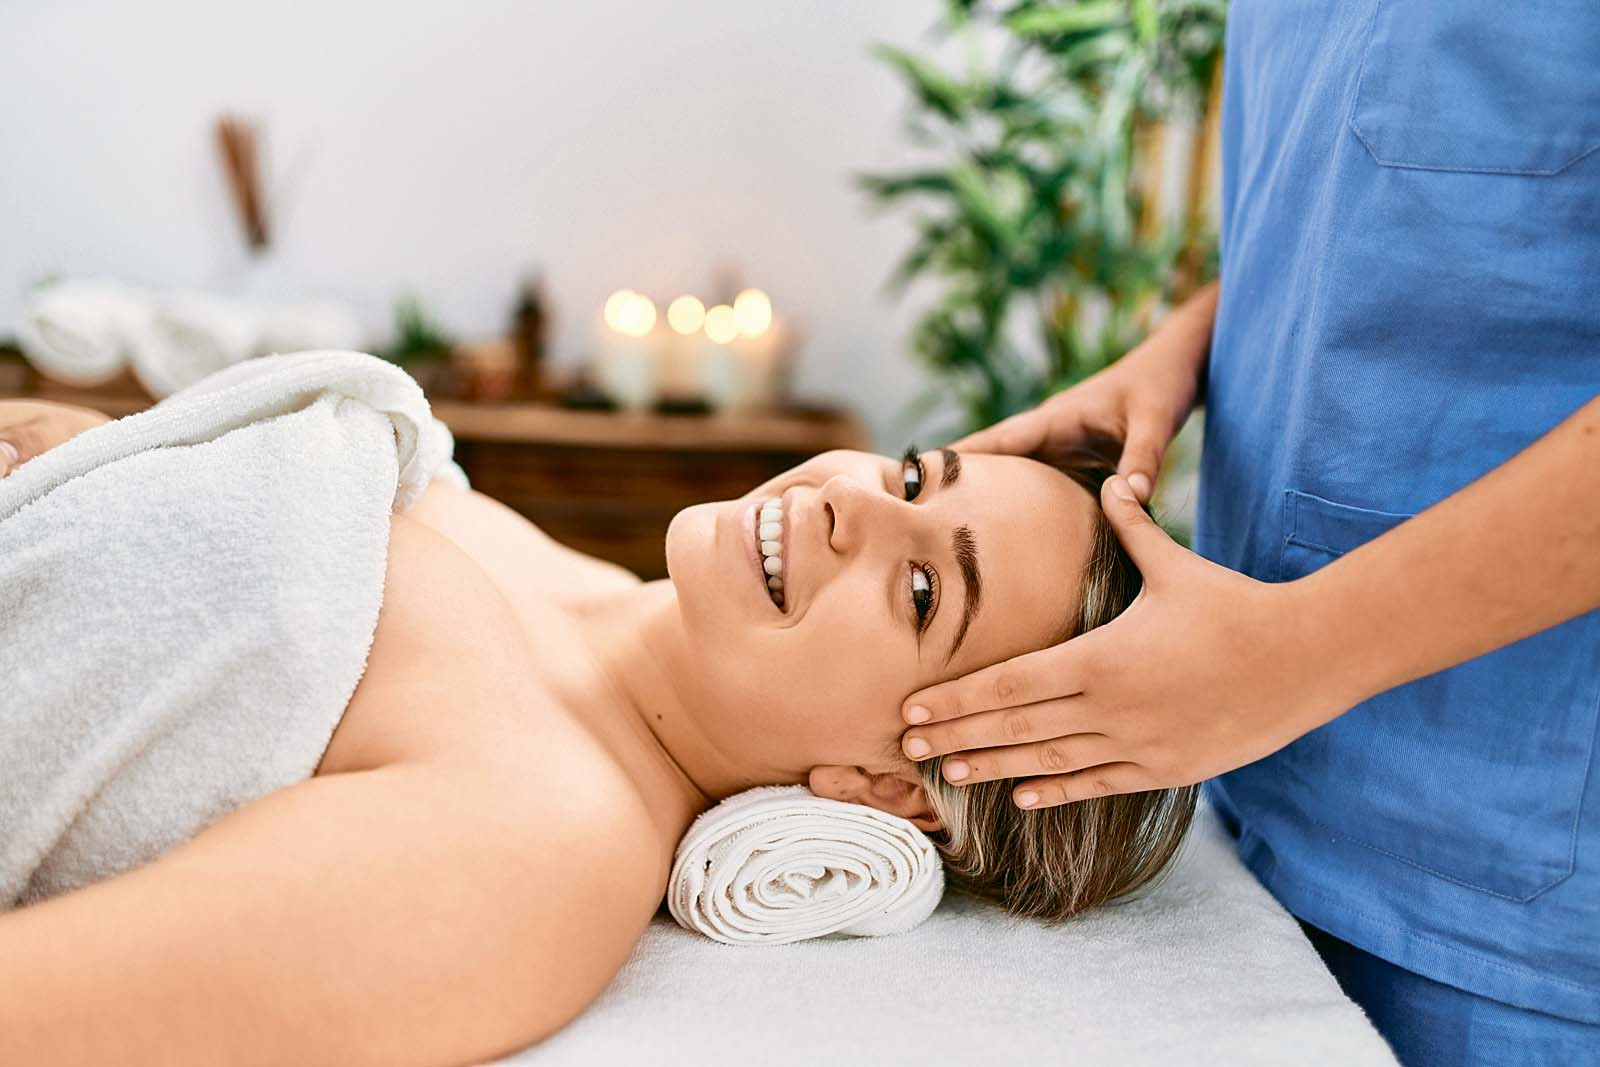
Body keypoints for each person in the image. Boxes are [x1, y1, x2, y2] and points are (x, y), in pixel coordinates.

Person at [0, 401, 1191, 1065]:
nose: (850, 501)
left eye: (923, 591)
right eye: (916, 478)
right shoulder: (516, 542)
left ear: (897, 787)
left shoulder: (536, 844)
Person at [894, 3, 1600, 1063]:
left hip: (1508, 878)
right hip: (1262, 807)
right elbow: (1411, 185)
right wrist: (1200, 338)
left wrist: (1310, 646)